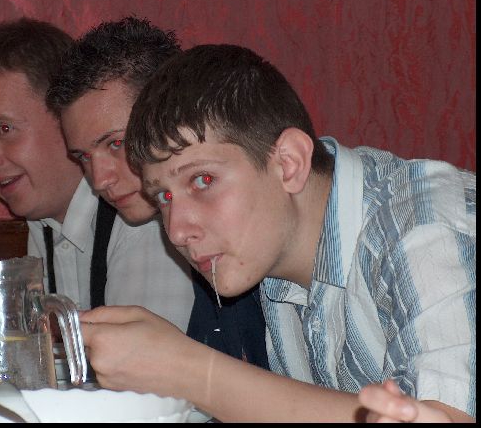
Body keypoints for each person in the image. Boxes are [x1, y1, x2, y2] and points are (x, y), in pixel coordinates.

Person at [77, 44, 476, 422]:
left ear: (289, 163)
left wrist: (187, 370)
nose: (177, 230)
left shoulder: (424, 226)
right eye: (164, 196)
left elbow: (448, 418)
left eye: (202, 179)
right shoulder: (271, 258)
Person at [0, 17, 194, 333]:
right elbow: (38, 320)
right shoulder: (46, 220)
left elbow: (138, 356)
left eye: (4, 128)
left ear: (66, 117)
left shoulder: (142, 213)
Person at [46, 16, 268, 369]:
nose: (98, 180)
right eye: (83, 157)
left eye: (116, 143)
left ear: (167, 113)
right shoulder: (183, 231)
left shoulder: (235, 225)